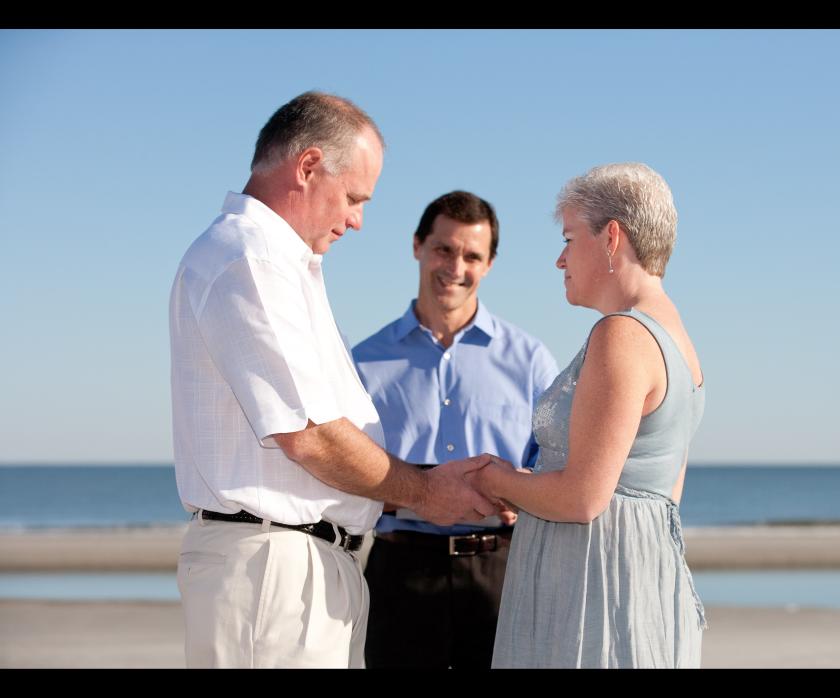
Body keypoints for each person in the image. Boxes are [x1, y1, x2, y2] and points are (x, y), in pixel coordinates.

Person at [169, 92, 496, 669]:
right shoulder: (251, 260)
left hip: (301, 569)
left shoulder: (281, 266)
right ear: (308, 166)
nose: (356, 220)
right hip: (273, 573)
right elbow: (311, 435)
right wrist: (426, 491)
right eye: (353, 198)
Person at [472, 163, 707, 668]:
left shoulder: (622, 335)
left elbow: (582, 499)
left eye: (570, 238)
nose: (560, 260)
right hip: (640, 574)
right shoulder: (681, 342)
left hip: (591, 584)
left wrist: (498, 478)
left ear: (611, 238)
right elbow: (665, 493)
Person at [351, 190, 559, 668]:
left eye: (471, 255)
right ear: (417, 246)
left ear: (488, 264)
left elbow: (557, 462)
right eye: (444, 249)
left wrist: (525, 493)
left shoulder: (529, 360)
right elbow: (345, 468)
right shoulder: (363, 362)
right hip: (399, 571)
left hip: (502, 571)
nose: (455, 266)